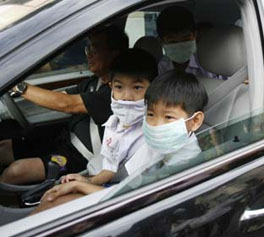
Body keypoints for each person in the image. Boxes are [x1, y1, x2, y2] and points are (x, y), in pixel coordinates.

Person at [31, 70, 208, 214]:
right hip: (125, 195)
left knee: (53, 203)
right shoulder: (159, 143)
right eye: (151, 115)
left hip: (142, 212)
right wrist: (88, 181)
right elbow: (127, 180)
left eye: (168, 117)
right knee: (52, 199)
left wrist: (81, 185)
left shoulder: (185, 161)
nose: (156, 125)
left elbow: (134, 200)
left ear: (195, 121)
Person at [0, 25, 129, 184]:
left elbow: (67, 104)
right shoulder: (93, 83)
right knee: (4, 148)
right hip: (65, 140)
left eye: (95, 48)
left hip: (80, 158)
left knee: (16, 171)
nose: (88, 54)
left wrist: (17, 86)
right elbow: (59, 98)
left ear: (114, 54)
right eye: (88, 48)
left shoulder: (117, 93)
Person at [61, 48, 158, 186]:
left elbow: (135, 185)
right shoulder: (113, 124)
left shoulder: (156, 128)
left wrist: (84, 184)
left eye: (137, 88)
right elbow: (110, 170)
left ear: (154, 88)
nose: (126, 97)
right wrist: (87, 181)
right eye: (119, 87)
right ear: (111, 87)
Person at [156, 6, 223, 79]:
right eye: (173, 42)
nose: (180, 46)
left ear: (195, 35)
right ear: (161, 42)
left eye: (186, 40)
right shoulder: (163, 66)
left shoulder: (209, 65)